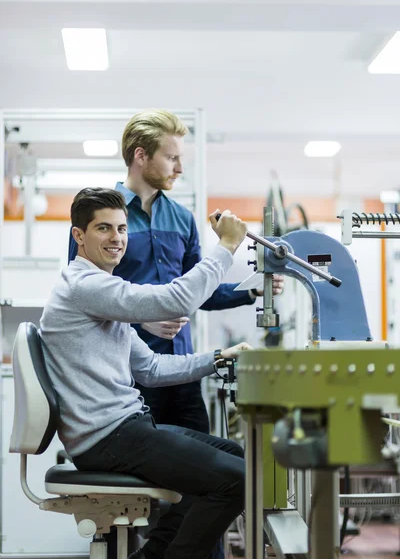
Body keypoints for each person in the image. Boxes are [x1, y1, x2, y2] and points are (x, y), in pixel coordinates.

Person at [41, 188, 250, 559]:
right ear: (79, 236)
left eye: (122, 229)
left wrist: (218, 358)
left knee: (233, 453)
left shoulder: (102, 294)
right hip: (108, 438)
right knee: (238, 480)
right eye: (103, 228)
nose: (117, 239)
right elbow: (175, 300)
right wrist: (226, 247)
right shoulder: (85, 286)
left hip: (127, 428)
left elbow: (151, 368)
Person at [69, 109, 283, 435]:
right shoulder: (100, 217)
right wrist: (140, 318)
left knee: (204, 470)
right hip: (126, 370)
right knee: (144, 475)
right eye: (171, 158)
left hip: (181, 368)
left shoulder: (182, 219)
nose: (180, 168)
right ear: (141, 156)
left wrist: (252, 290)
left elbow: (200, 291)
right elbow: (81, 295)